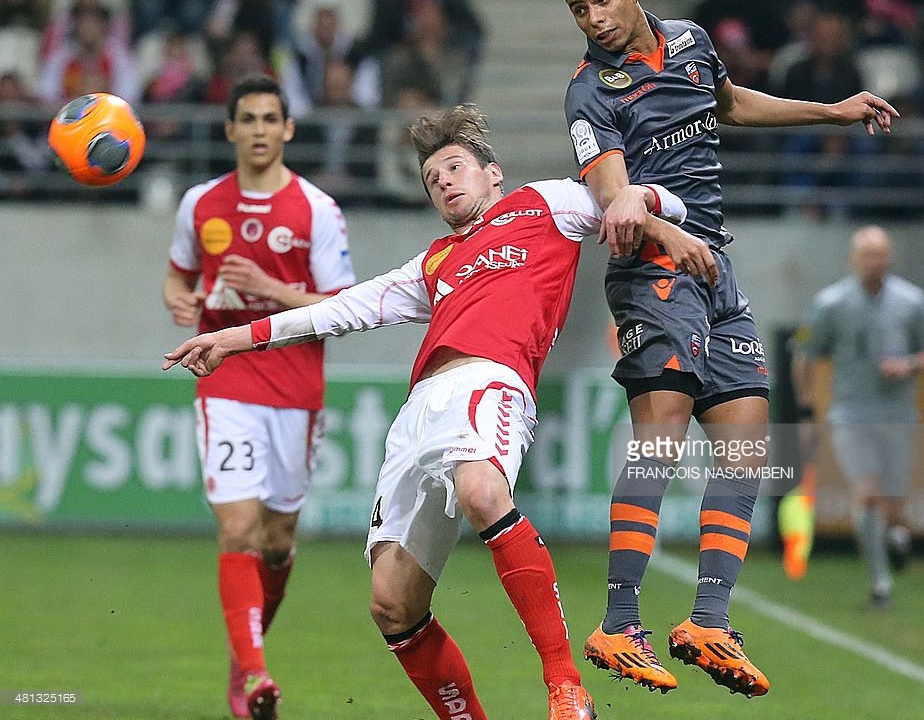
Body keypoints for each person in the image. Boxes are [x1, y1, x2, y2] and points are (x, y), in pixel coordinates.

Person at [163, 103, 693, 719]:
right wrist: (233, 338)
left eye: (454, 166)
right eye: (431, 178)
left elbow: (647, 198)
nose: (443, 180)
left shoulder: (545, 204)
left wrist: (657, 214)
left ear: (494, 174)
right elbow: (340, 309)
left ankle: (565, 685)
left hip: (490, 382)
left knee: (482, 491)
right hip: (417, 414)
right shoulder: (433, 262)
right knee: (392, 602)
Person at [560, 0, 899, 696]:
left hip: (715, 267)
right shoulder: (590, 91)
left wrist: (833, 107)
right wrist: (665, 231)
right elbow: (617, 198)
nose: (594, 17)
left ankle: (709, 620)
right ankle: (619, 624)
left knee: (746, 443)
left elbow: (730, 103)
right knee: (662, 438)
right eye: (580, 9)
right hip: (655, 271)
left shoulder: (690, 42)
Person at [162, 73, 356, 720]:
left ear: (288, 129)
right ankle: (253, 676)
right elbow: (178, 277)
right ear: (230, 130)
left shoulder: (316, 210)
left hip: (295, 386)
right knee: (238, 528)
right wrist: (180, 301)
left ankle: (245, 658)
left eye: (270, 119)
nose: (259, 130)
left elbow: (342, 307)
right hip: (225, 377)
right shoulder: (200, 204)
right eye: (247, 119)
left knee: (275, 540)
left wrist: (272, 290)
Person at [790, 226, 924, 607]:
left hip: (897, 414)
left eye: (880, 254)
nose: (873, 262)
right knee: (868, 492)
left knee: (894, 504)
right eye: (866, 254)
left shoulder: (911, 301)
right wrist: (807, 406)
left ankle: (897, 536)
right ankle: (880, 583)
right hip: (850, 413)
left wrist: (909, 364)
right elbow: (804, 352)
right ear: (853, 259)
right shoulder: (831, 302)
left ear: (889, 258)